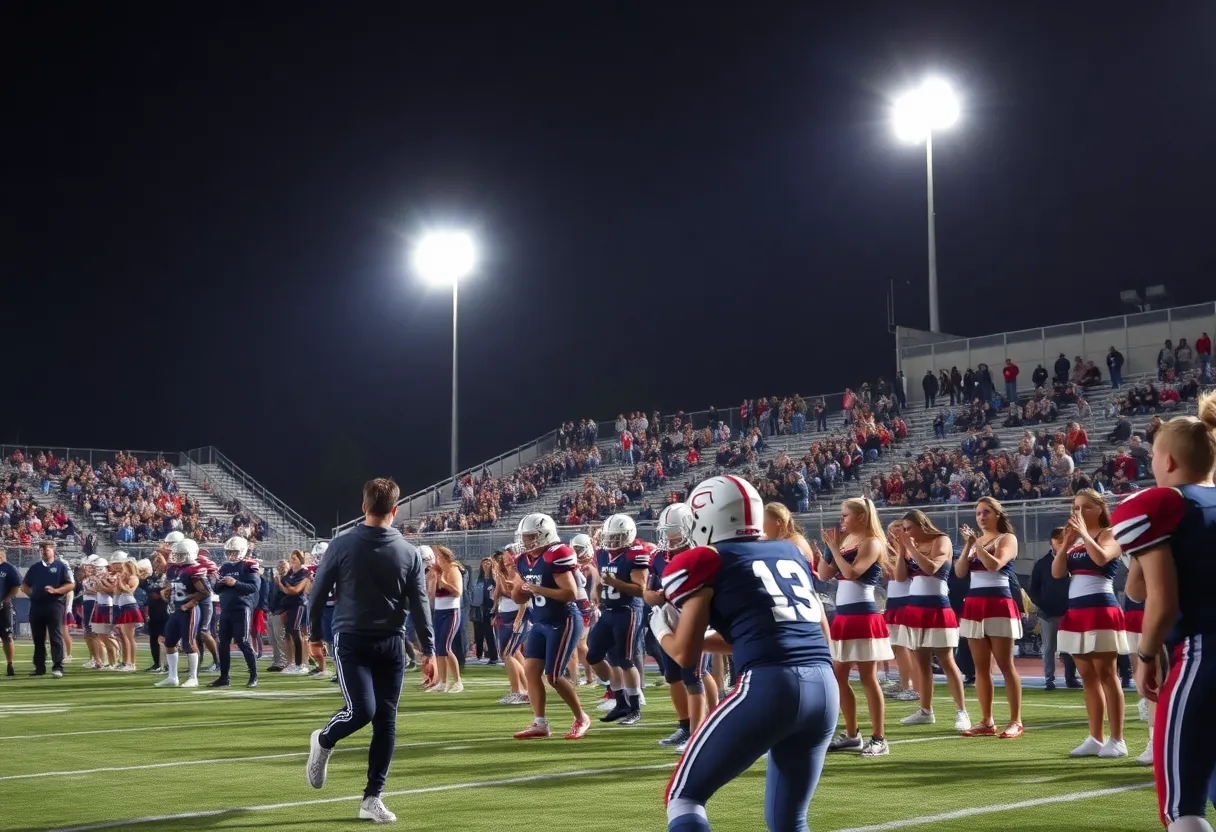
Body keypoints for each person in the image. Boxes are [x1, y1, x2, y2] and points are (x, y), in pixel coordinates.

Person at [651, 476, 837, 832]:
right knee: (790, 821)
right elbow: (773, 633)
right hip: (823, 687)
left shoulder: (706, 559)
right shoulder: (789, 551)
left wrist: (660, 629)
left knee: (683, 797)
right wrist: (704, 640)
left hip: (770, 686)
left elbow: (684, 656)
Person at [1111, 390, 1216, 830]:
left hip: (1202, 655)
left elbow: (1154, 598)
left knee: (1183, 808)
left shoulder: (1166, 504)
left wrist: (1146, 656)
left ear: (1168, 461)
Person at [305, 477, 435, 825]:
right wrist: (430, 650)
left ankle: (372, 797)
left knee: (386, 721)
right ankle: (324, 739)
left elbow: (316, 594)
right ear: (395, 509)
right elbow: (421, 605)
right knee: (363, 711)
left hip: (382, 641)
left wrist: (313, 635)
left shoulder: (359, 545)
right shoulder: (386, 549)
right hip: (356, 640)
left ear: (363, 506)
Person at [1053, 488, 1129, 758]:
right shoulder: (1072, 540)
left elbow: (1100, 558)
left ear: (1099, 509)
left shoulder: (1110, 534)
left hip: (1101, 609)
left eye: (1085, 507)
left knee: (1108, 675)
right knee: (1087, 678)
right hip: (1076, 612)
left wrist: (1084, 534)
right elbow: (1058, 573)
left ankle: (1117, 739)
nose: (1078, 512)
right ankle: (1096, 737)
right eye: (1075, 507)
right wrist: (1065, 544)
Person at [816, 497, 894, 757]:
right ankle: (852, 734)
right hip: (844, 616)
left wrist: (835, 549)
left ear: (861, 516)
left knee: (867, 677)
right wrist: (825, 551)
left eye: (846, 515)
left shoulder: (872, 542)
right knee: (838, 676)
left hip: (863, 616)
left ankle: (879, 738)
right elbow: (825, 575)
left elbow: (851, 573)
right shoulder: (846, 541)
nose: (842, 520)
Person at [509, 513, 591, 741]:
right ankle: (540, 723)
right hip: (540, 621)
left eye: (530, 536)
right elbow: (518, 598)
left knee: (553, 676)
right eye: (524, 536)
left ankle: (581, 717)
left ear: (544, 534)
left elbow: (570, 593)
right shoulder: (523, 560)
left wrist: (538, 589)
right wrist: (519, 589)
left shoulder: (557, 554)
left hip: (563, 620)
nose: (525, 541)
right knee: (531, 672)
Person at [644, 503, 716, 753]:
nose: (669, 536)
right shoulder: (657, 557)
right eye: (666, 531)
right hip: (670, 618)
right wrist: (657, 598)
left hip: (696, 618)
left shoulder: (703, 553)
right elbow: (647, 592)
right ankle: (685, 726)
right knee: (673, 676)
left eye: (674, 530)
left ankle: (698, 733)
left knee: (692, 676)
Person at [890, 511, 971, 731]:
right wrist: (901, 550)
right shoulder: (910, 545)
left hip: (938, 607)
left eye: (908, 528)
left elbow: (931, 568)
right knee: (921, 662)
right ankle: (925, 710)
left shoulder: (940, 540)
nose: (906, 533)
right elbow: (899, 577)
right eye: (903, 529)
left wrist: (911, 547)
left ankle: (962, 711)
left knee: (946, 660)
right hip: (915, 608)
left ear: (921, 525)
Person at [955, 497, 1024, 738]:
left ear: (997, 514)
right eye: (978, 513)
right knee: (980, 667)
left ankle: (1016, 720)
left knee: (1005, 665)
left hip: (999, 603)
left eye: (986, 512)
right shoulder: (975, 542)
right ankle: (986, 720)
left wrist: (978, 546)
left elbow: (995, 565)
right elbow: (960, 572)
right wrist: (968, 546)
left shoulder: (1008, 538)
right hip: (975, 604)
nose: (981, 517)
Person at [587, 513, 653, 725]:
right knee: (593, 654)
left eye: (617, 537)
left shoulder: (636, 553)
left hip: (628, 610)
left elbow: (639, 589)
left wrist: (615, 583)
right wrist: (597, 590)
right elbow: (601, 577)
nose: (612, 541)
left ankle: (634, 707)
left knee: (625, 660)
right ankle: (620, 701)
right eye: (610, 536)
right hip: (609, 611)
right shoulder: (603, 553)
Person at [155, 538, 210, 688]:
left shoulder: (194, 569)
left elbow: (205, 592)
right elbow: (176, 585)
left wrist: (191, 603)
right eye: (177, 554)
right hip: (175, 610)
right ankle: (173, 677)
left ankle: (193, 677)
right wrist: (167, 590)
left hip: (189, 611)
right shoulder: (174, 569)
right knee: (169, 642)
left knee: (188, 642)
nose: (178, 557)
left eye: (181, 554)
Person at [1028, 529, 1079, 690]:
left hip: (1069, 612)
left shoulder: (1073, 561)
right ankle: (1049, 679)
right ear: (1051, 541)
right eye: (1058, 539)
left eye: (1064, 539)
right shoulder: (1042, 563)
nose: (1061, 542)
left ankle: (1071, 678)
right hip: (1048, 613)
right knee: (1049, 647)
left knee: (1070, 647)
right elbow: (1033, 589)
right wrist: (1042, 606)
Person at [210, 535, 261, 688]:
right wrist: (216, 581)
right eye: (229, 552)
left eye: (234, 552)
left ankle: (253, 676)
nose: (231, 555)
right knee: (223, 643)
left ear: (242, 551)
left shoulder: (249, 565)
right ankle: (224, 677)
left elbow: (253, 587)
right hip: (226, 609)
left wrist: (235, 582)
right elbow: (217, 590)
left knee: (243, 641)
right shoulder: (225, 567)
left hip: (242, 608)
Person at [21, 540, 74, 678]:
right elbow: (24, 585)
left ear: (53, 550)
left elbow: (70, 585)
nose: (45, 551)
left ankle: (58, 666)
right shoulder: (35, 568)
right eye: (43, 549)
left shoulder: (61, 566)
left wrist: (56, 591)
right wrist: (32, 594)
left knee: (55, 636)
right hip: (37, 605)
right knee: (38, 638)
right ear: (40, 552)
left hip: (54, 604)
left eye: (48, 549)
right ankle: (39, 667)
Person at [425, 544, 465, 693]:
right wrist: (433, 579)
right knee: (439, 647)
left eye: (437, 556)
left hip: (451, 612)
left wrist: (443, 582)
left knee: (446, 647)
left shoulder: (453, 569)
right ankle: (442, 682)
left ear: (444, 557)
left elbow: (458, 592)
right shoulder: (436, 571)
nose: (435, 560)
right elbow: (430, 594)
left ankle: (457, 682)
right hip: (439, 612)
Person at [491, 547, 528, 705]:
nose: (505, 562)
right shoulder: (501, 574)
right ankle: (527, 688)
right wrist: (495, 612)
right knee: (510, 654)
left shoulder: (521, 574)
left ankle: (517, 691)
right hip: (504, 614)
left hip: (516, 616)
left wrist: (519, 619)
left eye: (508, 559)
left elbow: (524, 600)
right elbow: (498, 594)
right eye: (504, 560)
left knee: (508, 654)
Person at [277, 550, 312, 674]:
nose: (292, 562)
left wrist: (284, 586)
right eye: (291, 559)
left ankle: (300, 663)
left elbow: (295, 590)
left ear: (300, 560)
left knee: (297, 632)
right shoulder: (292, 572)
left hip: (299, 604)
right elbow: (286, 584)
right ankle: (295, 663)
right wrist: (285, 586)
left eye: (294, 559)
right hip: (290, 605)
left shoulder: (304, 572)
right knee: (290, 632)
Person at [110, 553, 144, 671]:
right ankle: (127, 662)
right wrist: (118, 581)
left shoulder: (134, 578)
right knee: (125, 635)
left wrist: (120, 581)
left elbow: (128, 590)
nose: (122, 568)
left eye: (124, 566)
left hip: (130, 606)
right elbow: (116, 591)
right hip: (123, 606)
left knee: (130, 637)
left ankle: (132, 663)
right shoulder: (125, 578)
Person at [139, 556, 168, 673]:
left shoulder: (168, 575)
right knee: (153, 637)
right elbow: (142, 585)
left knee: (165, 637)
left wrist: (160, 594)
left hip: (165, 609)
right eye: (155, 562)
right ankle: (156, 663)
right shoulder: (150, 577)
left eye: (159, 562)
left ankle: (166, 664)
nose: (157, 564)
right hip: (153, 609)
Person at [471, 557, 499, 665]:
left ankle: (493, 657)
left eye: (488, 563)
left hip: (489, 609)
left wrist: (495, 610)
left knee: (489, 634)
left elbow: (496, 594)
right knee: (478, 633)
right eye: (484, 563)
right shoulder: (479, 579)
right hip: (478, 609)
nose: (486, 565)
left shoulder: (494, 579)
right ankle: (478, 655)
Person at [0, 548, 21, 676]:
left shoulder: (9, 568)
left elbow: (17, 585)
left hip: (3, 607)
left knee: (7, 636)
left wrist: (6, 599)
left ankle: (10, 664)